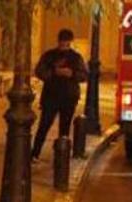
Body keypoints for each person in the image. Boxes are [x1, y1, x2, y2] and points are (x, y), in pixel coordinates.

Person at [31, 28, 87, 161]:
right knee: (44, 125)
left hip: (67, 96)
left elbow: (84, 75)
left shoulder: (75, 57)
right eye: (63, 42)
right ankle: (36, 153)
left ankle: (60, 156)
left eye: (66, 43)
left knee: (64, 128)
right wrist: (54, 73)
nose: (64, 45)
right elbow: (40, 71)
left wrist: (71, 74)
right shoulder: (50, 55)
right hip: (52, 95)